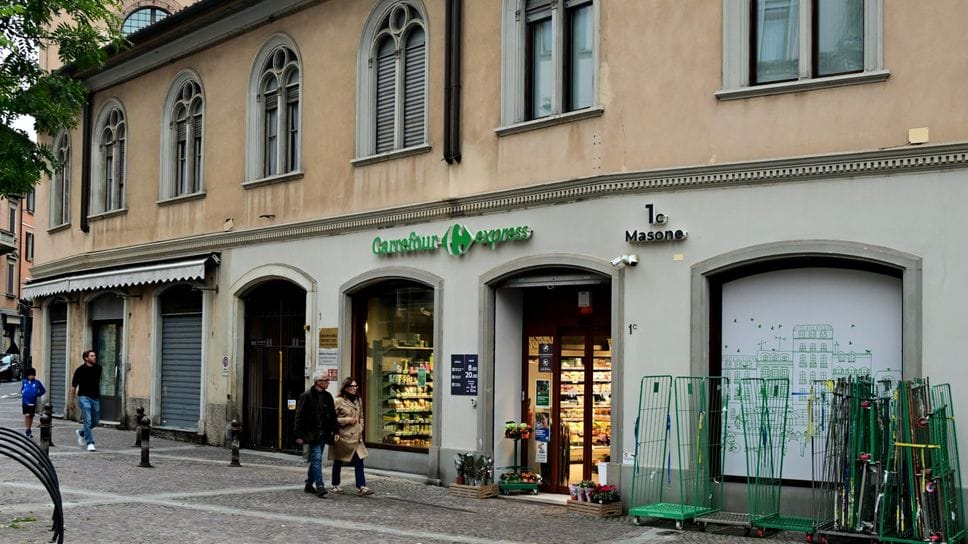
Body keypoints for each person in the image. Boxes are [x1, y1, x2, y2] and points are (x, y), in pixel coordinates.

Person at [294, 370, 339, 498]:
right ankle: (320, 486)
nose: (328, 382)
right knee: (317, 458)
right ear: (318, 382)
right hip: (312, 434)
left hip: (324, 433)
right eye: (326, 380)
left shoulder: (328, 396)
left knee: (315, 460)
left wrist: (335, 431)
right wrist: (298, 435)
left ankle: (309, 484)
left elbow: (332, 416)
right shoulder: (306, 396)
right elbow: (299, 416)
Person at [329, 377, 373, 496]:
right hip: (343, 436)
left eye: (355, 386)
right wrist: (346, 420)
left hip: (356, 436)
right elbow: (331, 419)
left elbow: (361, 416)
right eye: (351, 386)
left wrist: (361, 427)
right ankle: (335, 484)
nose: (354, 388)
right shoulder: (338, 401)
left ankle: (362, 486)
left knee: (359, 459)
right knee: (339, 460)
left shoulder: (358, 400)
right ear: (346, 388)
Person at [69, 350, 101, 452]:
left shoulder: (98, 368)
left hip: (95, 398)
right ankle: (90, 443)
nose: (94, 357)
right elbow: (73, 386)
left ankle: (81, 432)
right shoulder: (79, 370)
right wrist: (71, 401)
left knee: (95, 421)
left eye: (94, 355)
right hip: (84, 397)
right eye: (92, 356)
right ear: (86, 358)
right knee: (88, 420)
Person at [20, 367, 46, 438]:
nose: (32, 376)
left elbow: (43, 390)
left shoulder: (37, 382)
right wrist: (23, 392)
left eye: (33, 375)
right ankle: (27, 429)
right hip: (25, 402)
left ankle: (29, 429)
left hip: (32, 402)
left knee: (31, 416)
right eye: (30, 375)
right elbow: (22, 389)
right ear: (28, 375)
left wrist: (37, 394)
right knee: (27, 415)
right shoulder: (24, 381)